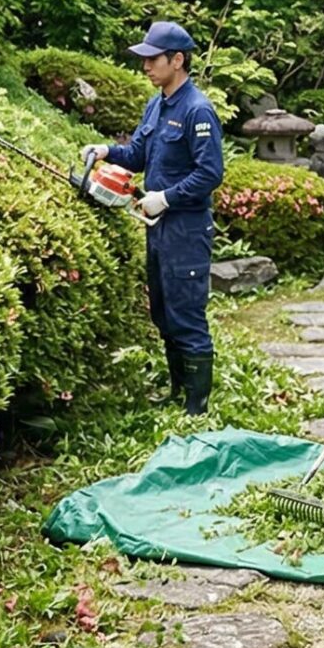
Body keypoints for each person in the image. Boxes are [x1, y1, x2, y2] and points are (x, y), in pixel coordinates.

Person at [81, 22, 225, 414]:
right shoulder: (157, 103)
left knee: (186, 313)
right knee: (163, 310)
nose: (145, 66)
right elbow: (139, 154)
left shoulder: (197, 110)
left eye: (152, 59)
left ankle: (197, 405)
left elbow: (210, 173)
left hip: (186, 228)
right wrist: (107, 151)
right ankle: (178, 391)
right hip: (157, 226)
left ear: (177, 60)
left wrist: (167, 198)